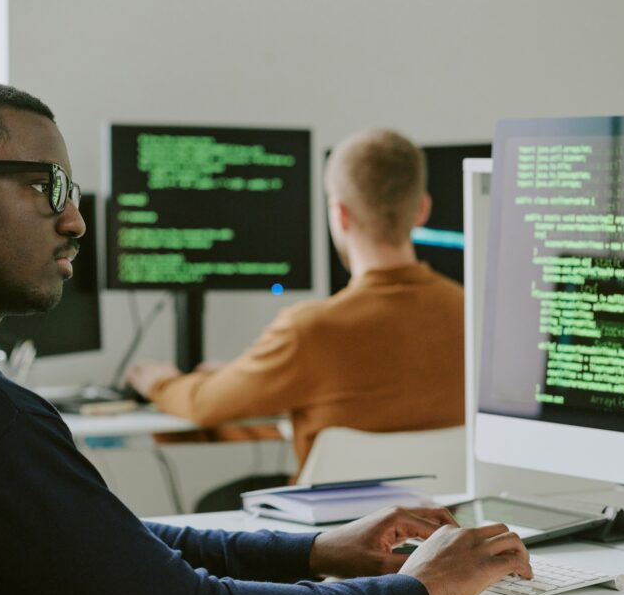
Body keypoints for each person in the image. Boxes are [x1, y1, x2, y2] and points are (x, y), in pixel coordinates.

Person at [0, 78, 531, 595]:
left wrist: (315, 548)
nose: (75, 219)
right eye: (45, 187)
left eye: (70, 191)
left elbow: (115, 547)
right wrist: (420, 591)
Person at [126, 129, 464, 475]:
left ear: (340, 214)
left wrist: (159, 381)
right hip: (445, 523)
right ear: (422, 210)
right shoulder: (472, 313)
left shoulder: (310, 330)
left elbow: (201, 405)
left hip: (340, 528)